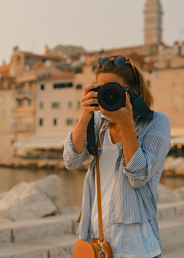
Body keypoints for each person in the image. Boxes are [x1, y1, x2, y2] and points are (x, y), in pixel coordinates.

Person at [63, 55, 171, 258]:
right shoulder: (98, 122)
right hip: (96, 243)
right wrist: (85, 115)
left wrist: (127, 124)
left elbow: (138, 177)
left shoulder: (156, 122)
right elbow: (70, 161)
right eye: (102, 89)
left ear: (134, 91)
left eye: (113, 89)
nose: (108, 94)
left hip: (137, 248)